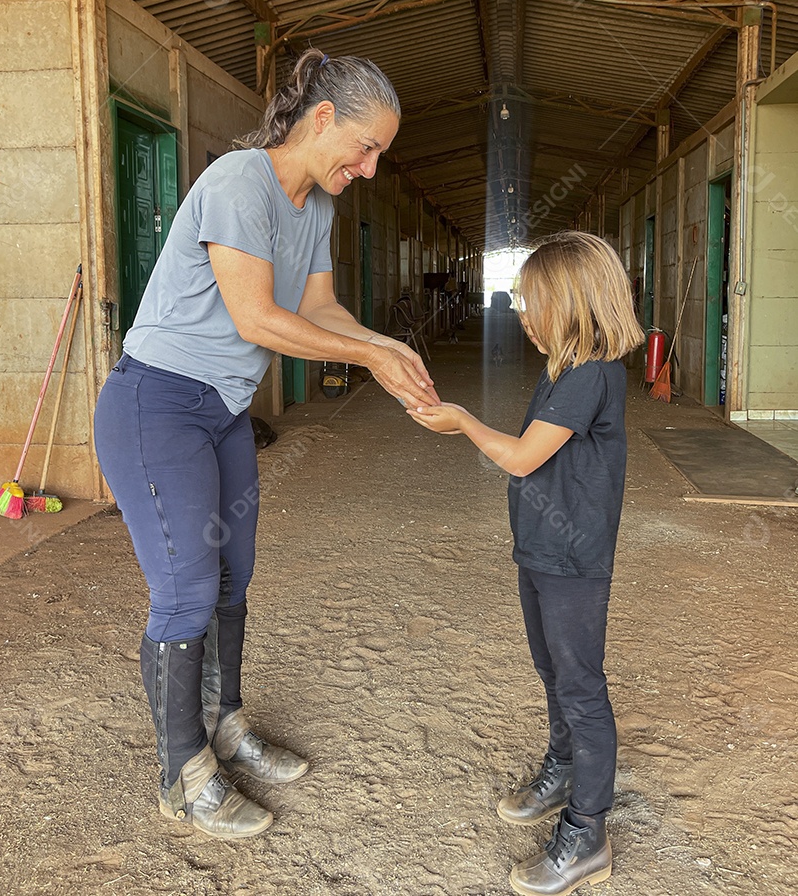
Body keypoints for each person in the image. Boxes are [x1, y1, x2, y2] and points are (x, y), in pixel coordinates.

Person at [93, 49, 439, 839]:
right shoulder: (239, 183)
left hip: (220, 410)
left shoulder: (315, 206)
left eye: (379, 153)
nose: (372, 168)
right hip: (157, 403)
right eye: (366, 147)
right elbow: (257, 319)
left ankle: (225, 722)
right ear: (323, 120)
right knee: (184, 588)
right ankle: (183, 772)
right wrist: (369, 357)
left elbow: (320, 311)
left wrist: (389, 345)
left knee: (232, 572)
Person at [408, 232, 644, 896]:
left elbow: (519, 457)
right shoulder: (564, 372)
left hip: (572, 559)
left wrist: (461, 419)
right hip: (541, 548)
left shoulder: (592, 376)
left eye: (532, 302)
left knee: (580, 686)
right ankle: (564, 766)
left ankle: (588, 830)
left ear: (571, 304)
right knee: (552, 669)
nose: (523, 315)